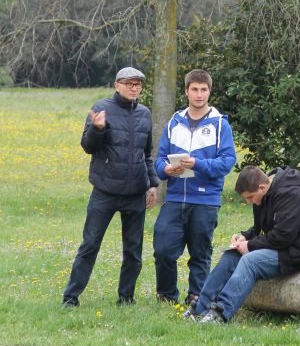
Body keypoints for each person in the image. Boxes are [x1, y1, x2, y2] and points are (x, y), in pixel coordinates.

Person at [62, 67, 158, 307]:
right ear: (117, 85)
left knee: (134, 252)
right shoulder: (100, 109)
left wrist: (153, 185)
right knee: (90, 245)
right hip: (104, 192)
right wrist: (98, 128)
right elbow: (88, 146)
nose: (134, 87)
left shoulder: (145, 114)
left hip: (135, 193)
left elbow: (146, 154)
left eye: (138, 84)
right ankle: (71, 298)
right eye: (129, 83)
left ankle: (126, 298)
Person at [192, 164, 300, 323]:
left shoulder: (292, 194)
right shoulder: (264, 196)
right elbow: (260, 227)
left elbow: (283, 235)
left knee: (250, 261)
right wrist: (244, 237)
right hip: (280, 247)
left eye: (250, 197)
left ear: (262, 187)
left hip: (298, 253)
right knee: (231, 255)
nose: (249, 202)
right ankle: (200, 307)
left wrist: (250, 245)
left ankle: (220, 313)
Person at [153, 69, 237, 309]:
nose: (199, 94)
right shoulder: (174, 123)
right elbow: (158, 161)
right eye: (194, 89)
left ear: (209, 92)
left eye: (203, 90)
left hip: (206, 200)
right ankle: (167, 295)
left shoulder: (221, 125)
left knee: (200, 254)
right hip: (175, 197)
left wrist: (198, 164)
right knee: (164, 250)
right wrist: (166, 170)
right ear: (187, 91)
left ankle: (196, 296)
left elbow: (227, 162)